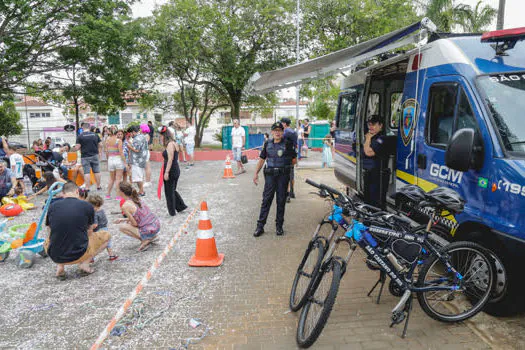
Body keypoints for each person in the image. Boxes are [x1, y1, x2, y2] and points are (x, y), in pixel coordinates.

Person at [45, 181, 110, 279]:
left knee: (48, 241)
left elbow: (49, 230)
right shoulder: (87, 206)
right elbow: (89, 232)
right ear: (77, 191)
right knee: (106, 236)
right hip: (79, 254)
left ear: (63, 193)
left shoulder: (52, 206)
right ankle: (85, 263)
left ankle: (60, 266)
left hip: (55, 255)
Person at [253, 122, 297, 237]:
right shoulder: (267, 144)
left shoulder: (288, 144)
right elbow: (262, 159)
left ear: (282, 132)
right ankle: (260, 226)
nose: (277, 132)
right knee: (266, 201)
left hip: (282, 176)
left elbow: (294, 160)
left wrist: (285, 164)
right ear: (272, 132)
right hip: (270, 176)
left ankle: (279, 226)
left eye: (279, 130)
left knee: (281, 201)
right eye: (275, 130)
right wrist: (256, 173)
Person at [115, 182, 161, 251]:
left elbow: (135, 223)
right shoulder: (136, 198)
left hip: (149, 230)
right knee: (128, 222)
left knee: (122, 227)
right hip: (156, 225)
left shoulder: (125, 206)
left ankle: (146, 240)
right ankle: (151, 237)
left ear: (122, 192)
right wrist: (123, 219)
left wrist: (128, 221)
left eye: (117, 189)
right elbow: (139, 216)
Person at [159, 126, 187, 216]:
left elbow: (170, 159)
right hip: (175, 168)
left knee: (169, 192)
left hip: (171, 169)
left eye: (161, 136)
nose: (160, 137)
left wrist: (166, 172)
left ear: (164, 135)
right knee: (172, 190)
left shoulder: (170, 144)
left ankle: (172, 212)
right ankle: (181, 206)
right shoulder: (173, 143)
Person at [363, 115, 387, 207]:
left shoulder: (382, 138)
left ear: (380, 125)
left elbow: (368, 152)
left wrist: (368, 138)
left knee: (375, 202)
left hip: (378, 176)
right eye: (369, 124)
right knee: (367, 199)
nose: (370, 127)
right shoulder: (373, 137)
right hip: (370, 173)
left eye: (373, 124)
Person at [87, 194, 118, 261]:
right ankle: (111, 255)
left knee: (94, 244)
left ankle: (91, 258)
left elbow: (95, 225)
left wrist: (89, 228)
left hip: (98, 230)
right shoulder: (102, 210)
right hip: (105, 228)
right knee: (108, 243)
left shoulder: (94, 213)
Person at [74, 122, 102, 190]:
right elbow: (101, 145)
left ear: (83, 128)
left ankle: (87, 187)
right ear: (89, 127)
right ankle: (98, 186)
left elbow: (77, 148)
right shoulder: (95, 135)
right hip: (95, 155)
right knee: (97, 171)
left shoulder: (80, 136)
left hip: (85, 156)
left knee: (86, 172)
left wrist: (78, 147)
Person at [105, 128, 125, 200]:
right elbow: (121, 152)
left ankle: (108, 194)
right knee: (118, 179)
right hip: (118, 159)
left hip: (110, 159)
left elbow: (107, 152)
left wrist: (108, 161)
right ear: (116, 133)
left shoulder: (107, 140)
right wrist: (125, 162)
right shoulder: (118, 140)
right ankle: (118, 196)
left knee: (111, 179)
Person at [127, 125, 148, 196]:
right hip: (142, 159)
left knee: (138, 177)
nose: (130, 135)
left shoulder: (137, 139)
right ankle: (141, 191)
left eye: (130, 133)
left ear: (133, 132)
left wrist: (129, 147)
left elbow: (137, 150)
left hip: (137, 161)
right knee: (140, 176)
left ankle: (141, 191)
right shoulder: (142, 136)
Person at [281, 118, 298, 202]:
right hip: (293, 155)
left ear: (284, 124)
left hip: (285, 155)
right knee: (291, 174)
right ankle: (292, 192)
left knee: (285, 175)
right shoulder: (294, 132)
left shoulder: (284, 132)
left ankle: (287, 194)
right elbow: (296, 145)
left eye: (282, 123)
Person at [140, 124, 152, 188]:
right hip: (143, 152)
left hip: (144, 152)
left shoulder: (146, 135)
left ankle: (148, 181)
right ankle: (146, 181)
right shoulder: (144, 135)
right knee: (145, 167)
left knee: (147, 167)